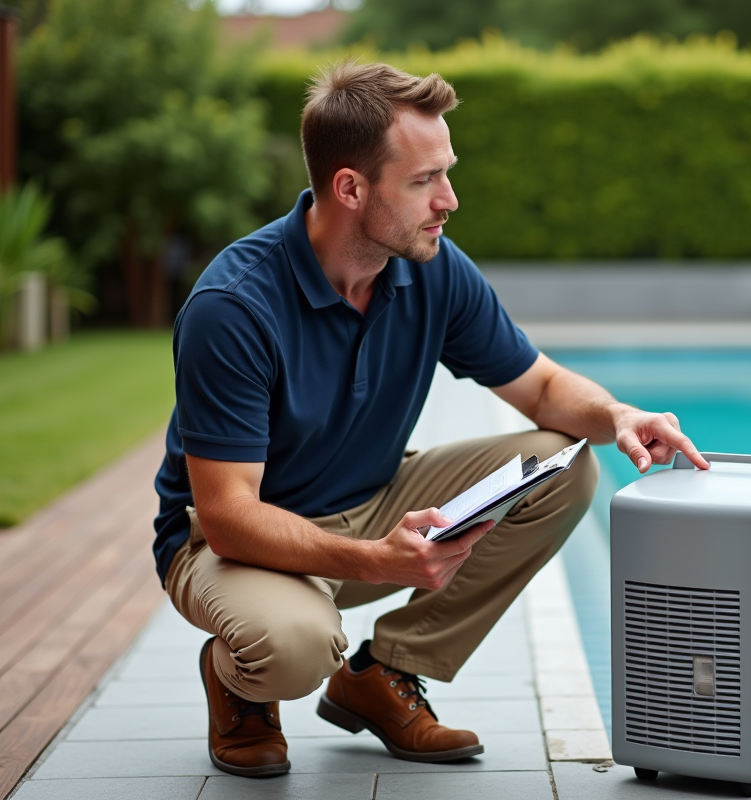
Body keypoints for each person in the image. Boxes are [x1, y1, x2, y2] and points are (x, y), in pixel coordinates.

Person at [151, 60, 709, 778]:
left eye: (447, 171)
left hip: (372, 497)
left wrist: (618, 413)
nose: (450, 198)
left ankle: (381, 675)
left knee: (560, 467)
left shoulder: (431, 267)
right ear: (350, 187)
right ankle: (240, 686)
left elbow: (538, 388)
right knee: (293, 648)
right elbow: (227, 515)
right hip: (234, 542)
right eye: (424, 180)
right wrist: (378, 559)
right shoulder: (234, 306)